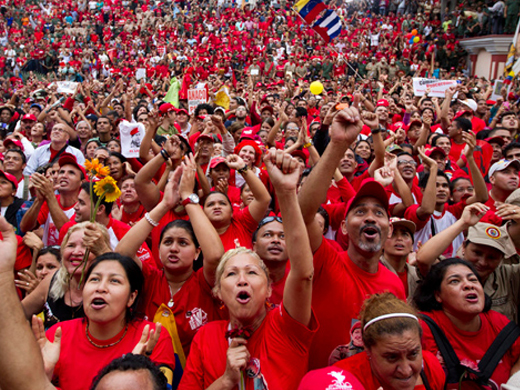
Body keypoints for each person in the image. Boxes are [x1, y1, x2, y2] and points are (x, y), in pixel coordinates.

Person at [178, 149, 317, 389]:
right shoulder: (206, 337)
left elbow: (304, 274)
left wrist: (285, 193)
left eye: (252, 272)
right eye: (231, 274)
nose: (242, 280)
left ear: (269, 288)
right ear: (217, 292)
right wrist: (225, 382)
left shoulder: (286, 326)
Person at [298, 104, 406, 369]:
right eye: (360, 211)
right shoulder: (325, 261)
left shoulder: (395, 285)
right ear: (343, 228)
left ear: (389, 229)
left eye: (378, 212)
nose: (370, 217)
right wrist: (337, 143)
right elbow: (303, 212)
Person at [116, 154, 226, 369]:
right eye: (167, 242)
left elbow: (215, 256)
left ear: (197, 253)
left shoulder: (205, 282)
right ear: (158, 249)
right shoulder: (149, 277)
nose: (174, 248)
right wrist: (165, 204)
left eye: (183, 243)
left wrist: (188, 198)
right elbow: (122, 254)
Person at [34, 252, 176, 390]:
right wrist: (42, 377)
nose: (100, 288)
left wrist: (137, 372)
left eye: (114, 281)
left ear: (131, 297)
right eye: (94, 279)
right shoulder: (58, 335)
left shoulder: (151, 338)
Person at [414, 258, 520, 388]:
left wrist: (515, 380)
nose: (469, 285)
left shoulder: (500, 324)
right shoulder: (421, 328)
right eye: (455, 281)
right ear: (438, 295)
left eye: (473, 280)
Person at [416, 202, 520, 322]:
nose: (482, 262)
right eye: (477, 253)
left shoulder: (509, 275)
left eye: (492, 257)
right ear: (464, 247)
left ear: (502, 258)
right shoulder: (448, 269)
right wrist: (462, 223)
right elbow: (423, 259)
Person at [333, 293, 445, 390]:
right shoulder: (341, 380)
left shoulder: (431, 368)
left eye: (413, 354)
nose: (406, 371)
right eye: (392, 357)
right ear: (368, 348)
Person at [21, 221, 112, 327]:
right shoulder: (51, 281)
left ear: (101, 251)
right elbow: (16, 315)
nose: (76, 252)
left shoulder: (111, 289)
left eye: (86, 246)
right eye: (71, 246)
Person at [59, 181, 153, 266]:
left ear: (100, 209)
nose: (75, 207)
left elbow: (149, 270)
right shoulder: (68, 229)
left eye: (81, 203)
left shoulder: (126, 232)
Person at [203, 154, 271, 251]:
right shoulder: (197, 232)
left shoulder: (241, 223)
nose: (217, 207)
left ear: (232, 212)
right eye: (210, 204)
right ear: (202, 213)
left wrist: (242, 167)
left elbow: (263, 199)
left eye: (222, 203)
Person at [21, 153, 84, 246]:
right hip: (47, 258)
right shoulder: (50, 200)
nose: (64, 176)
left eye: (71, 173)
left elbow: (69, 234)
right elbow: (25, 227)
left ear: (81, 183)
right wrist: (39, 200)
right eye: (61, 172)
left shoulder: (85, 205)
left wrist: (50, 195)